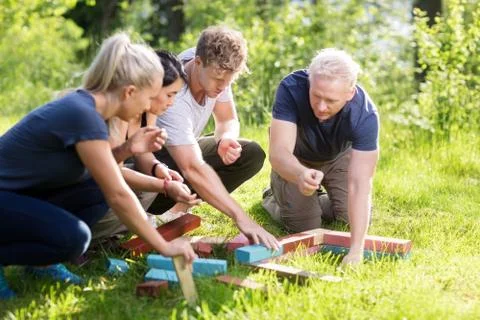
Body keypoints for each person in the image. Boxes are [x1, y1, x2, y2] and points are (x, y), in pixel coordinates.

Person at [0, 33, 196, 299]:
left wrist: (126, 150)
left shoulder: (88, 109)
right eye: (149, 98)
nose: (149, 106)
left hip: (17, 196)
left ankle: (41, 265)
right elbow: (118, 194)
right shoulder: (83, 115)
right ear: (129, 92)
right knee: (74, 239)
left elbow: (99, 172)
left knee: (95, 189)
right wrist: (162, 245)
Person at [151, 26, 279, 249]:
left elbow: (227, 118)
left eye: (229, 81)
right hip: (154, 164)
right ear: (197, 62)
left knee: (250, 153)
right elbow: (192, 168)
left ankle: (176, 212)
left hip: (185, 151)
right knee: (192, 166)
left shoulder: (216, 67)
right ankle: (152, 211)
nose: (222, 87)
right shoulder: (176, 98)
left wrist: (225, 138)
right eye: (218, 80)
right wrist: (242, 218)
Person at [263, 48, 379, 265]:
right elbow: (279, 152)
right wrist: (300, 174)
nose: (321, 107)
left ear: (349, 93)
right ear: (309, 82)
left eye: (330, 100)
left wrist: (356, 250)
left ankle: (316, 200)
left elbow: (361, 184)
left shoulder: (365, 114)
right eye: (316, 96)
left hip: (337, 157)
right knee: (306, 227)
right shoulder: (291, 88)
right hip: (296, 159)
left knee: (350, 219)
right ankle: (272, 197)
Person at [91, 50, 201, 241]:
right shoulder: (117, 113)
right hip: (91, 186)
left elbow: (144, 156)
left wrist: (158, 168)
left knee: (147, 187)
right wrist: (166, 186)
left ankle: (121, 226)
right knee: (132, 197)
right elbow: (110, 170)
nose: (171, 102)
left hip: (109, 182)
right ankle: (101, 232)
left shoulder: (147, 111)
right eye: (169, 94)